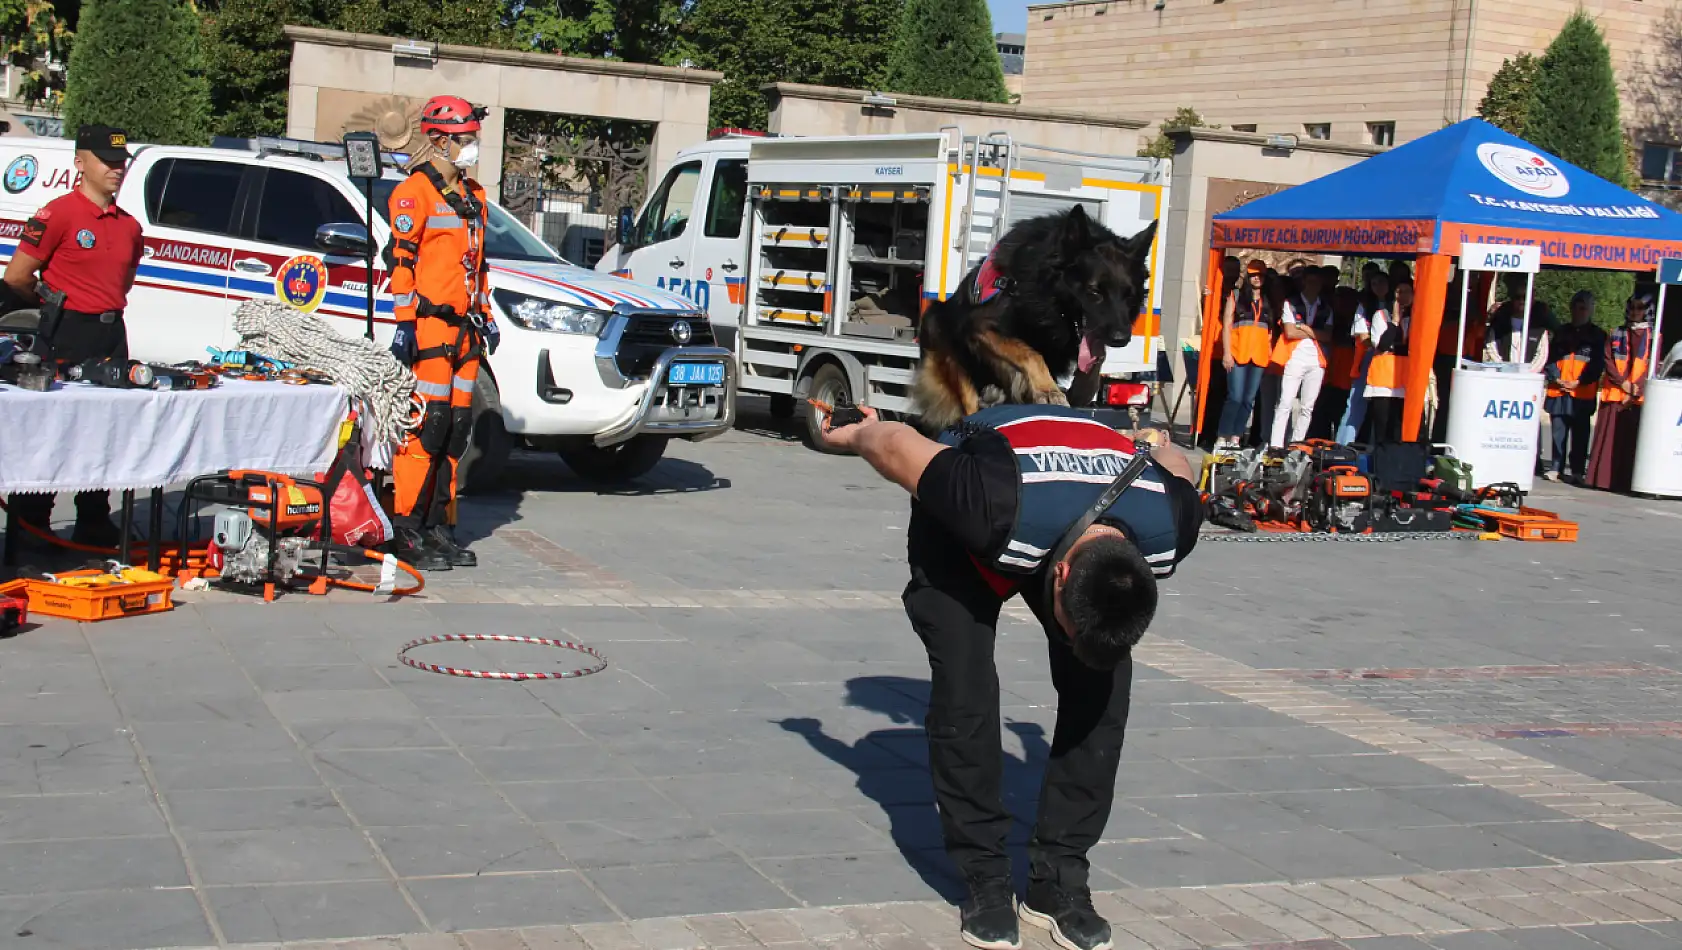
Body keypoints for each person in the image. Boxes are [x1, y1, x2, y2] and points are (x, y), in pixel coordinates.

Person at [817, 402, 1201, 950]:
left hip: (1067, 509)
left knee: (1104, 688)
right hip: (971, 532)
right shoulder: (983, 497)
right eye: (1067, 625)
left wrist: (1159, 442)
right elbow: (897, 445)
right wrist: (856, 433)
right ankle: (984, 875)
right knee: (966, 690)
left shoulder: (1171, 522)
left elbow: (1177, 464)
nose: (1068, 640)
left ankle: (1058, 880)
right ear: (1060, 573)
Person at [2, 125, 143, 550]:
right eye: (107, 160)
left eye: (121, 161)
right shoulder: (59, 213)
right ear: (81, 163)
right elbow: (17, 277)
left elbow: (124, 281)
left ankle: (94, 522)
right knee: (51, 433)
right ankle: (31, 530)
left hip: (109, 332)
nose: (117, 169)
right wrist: (51, 309)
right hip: (65, 332)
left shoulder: (130, 226)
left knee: (103, 433)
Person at [384, 95, 502, 571]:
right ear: (437, 140)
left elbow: (478, 263)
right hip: (431, 325)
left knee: (456, 430)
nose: (471, 147)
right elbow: (401, 263)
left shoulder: (475, 197)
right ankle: (406, 528)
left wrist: (487, 314)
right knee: (426, 427)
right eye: (464, 139)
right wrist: (405, 322)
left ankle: (439, 525)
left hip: (467, 328)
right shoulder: (414, 194)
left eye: (472, 138)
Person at [1585, 294, 1653, 492]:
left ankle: (1626, 482)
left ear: (1647, 311)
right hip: (1615, 393)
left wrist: (1634, 389)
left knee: (1630, 441)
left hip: (1637, 397)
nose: (1635, 312)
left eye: (1639, 308)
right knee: (1609, 439)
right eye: (1632, 308)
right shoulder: (1615, 333)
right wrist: (1623, 384)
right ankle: (1603, 481)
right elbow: (1608, 360)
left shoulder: (1653, 336)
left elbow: (1650, 365)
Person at [1542, 291, 1605, 483]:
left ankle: (1577, 471)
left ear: (1591, 310)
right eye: (1576, 307)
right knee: (1557, 433)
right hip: (1559, 389)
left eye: (1584, 307)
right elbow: (1549, 357)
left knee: (1581, 434)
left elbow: (1598, 363)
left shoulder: (1598, 335)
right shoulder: (1561, 332)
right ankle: (1556, 467)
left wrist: (1579, 381)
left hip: (1581, 392)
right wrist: (1557, 378)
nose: (1579, 311)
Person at [1269, 267, 1330, 446]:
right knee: (1285, 401)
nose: (1314, 286)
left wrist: (1303, 327)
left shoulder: (1325, 307)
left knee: (1307, 407)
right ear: (1304, 282)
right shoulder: (1291, 302)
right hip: (1294, 357)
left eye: (1317, 283)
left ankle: (1297, 444)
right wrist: (1313, 332)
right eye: (1310, 282)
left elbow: (1327, 336)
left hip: (1317, 360)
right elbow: (1289, 331)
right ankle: (1276, 444)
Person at [1217, 259, 1273, 450]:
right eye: (1253, 275)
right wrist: (1226, 353)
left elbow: (1270, 331)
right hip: (1238, 352)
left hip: (1258, 356)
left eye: (1260, 275)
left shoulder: (1268, 300)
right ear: (1248, 276)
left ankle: (1236, 436)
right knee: (1235, 397)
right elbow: (1226, 325)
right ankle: (1223, 435)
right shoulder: (1237, 295)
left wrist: (1269, 353)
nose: (1257, 278)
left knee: (1249, 400)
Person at [1336, 270, 1389, 444]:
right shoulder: (1364, 306)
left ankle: (1378, 449)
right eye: (1374, 283)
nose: (1378, 287)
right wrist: (1381, 345)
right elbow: (1362, 336)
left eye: (1381, 282)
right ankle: (1342, 445)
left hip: (1389, 362)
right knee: (1355, 404)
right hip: (1367, 359)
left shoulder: (1395, 305)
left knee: (1383, 407)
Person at [1363, 277, 1412, 444]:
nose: (1403, 296)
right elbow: (1382, 344)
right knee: (1382, 429)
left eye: (1407, 292)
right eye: (1399, 292)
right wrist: (1395, 322)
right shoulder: (1381, 316)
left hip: (1405, 380)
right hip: (1383, 381)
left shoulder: (1415, 317)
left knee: (1398, 430)